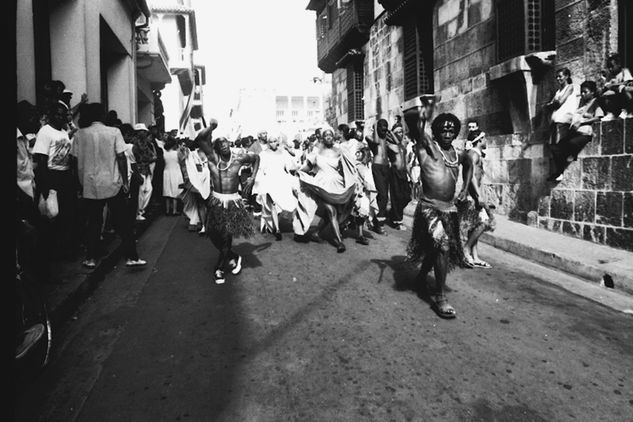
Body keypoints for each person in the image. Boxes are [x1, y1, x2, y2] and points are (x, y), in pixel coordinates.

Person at [407, 113, 473, 319]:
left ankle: (420, 277)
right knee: (442, 244)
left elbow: (470, 163)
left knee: (434, 247)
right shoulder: (428, 148)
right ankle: (441, 297)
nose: (447, 133)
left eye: (451, 130)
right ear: (435, 131)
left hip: (450, 209)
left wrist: (465, 189)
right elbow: (416, 128)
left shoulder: (457, 154)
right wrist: (420, 114)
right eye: (443, 129)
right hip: (429, 208)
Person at [71, 103, 146, 268]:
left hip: (89, 184)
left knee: (94, 223)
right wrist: (125, 182)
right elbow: (121, 157)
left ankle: (91, 258)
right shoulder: (114, 132)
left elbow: (74, 160)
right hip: (112, 183)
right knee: (123, 223)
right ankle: (131, 257)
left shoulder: (79, 134)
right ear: (102, 115)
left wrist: (79, 183)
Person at [195, 124, 260, 285]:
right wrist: (211, 127)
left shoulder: (238, 159)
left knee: (225, 237)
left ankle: (219, 269)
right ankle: (234, 256)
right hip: (216, 201)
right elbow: (199, 139)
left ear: (229, 144)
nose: (224, 146)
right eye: (220, 144)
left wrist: (253, 177)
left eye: (226, 143)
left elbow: (257, 158)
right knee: (213, 234)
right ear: (216, 148)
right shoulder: (212, 158)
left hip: (232, 202)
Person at [293, 128, 358, 253]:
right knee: (331, 211)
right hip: (322, 184)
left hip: (337, 184)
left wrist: (353, 181)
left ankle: (316, 233)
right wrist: (300, 172)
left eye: (330, 135)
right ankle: (339, 242)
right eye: (326, 135)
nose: (328, 137)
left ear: (333, 137)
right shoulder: (316, 151)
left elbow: (348, 166)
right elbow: (309, 166)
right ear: (322, 137)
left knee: (333, 214)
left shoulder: (340, 150)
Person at [32, 101, 78, 257]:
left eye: (63, 114)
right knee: (52, 215)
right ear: (51, 115)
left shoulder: (64, 132)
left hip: (65, 176)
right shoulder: (45, 131)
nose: (61, 117)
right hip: (51, 175)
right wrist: (46, 187)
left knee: (67, 214)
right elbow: (42, 160)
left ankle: (64, 248)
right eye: (57, 114)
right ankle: (49, 252)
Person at [548, 81, 605, 181]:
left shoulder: (595, 102)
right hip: (574, 132)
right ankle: (559, 173)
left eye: (585, 92)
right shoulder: (581, 103)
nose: (583, 94)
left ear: (592, 92)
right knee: (555, 147)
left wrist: (582, 123)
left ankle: (571, 154)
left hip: (584, 133)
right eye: (582, 92)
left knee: (571, 143)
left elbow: (598, 117)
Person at [460, 129, 495, 269]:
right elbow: (472, 175)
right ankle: (466, 249)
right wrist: (478, 195)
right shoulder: (474, 154)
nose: (486, 141)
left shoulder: (475, 154)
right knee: (484, 223)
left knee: (474, 225)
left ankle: (474, 256)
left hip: (473, 195)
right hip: (473, 196)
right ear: (479, 140)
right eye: (485, 139)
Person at [255, 133, 299, 240]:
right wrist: (260, 182)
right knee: (273, 204)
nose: (273, 143)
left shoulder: (283, 153)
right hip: (270, 180)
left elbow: (289, 166)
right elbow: (261, 169)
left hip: (282, 180)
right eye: (271, 141)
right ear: (268, 143)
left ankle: (296, 227)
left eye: (275, 141)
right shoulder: (263, 154)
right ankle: (277, 229)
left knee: (291, 203)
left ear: (277, 142)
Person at [178, 137, 211, 233]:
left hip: (209, 182)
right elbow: (183, 161)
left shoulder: (210, 154)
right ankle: (204, 226)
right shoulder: (192, 154)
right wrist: (183, 150)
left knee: (208, 204)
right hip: (197, 182)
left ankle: (207, 223)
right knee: (200, 203)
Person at [366, 119, 391, 234]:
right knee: (382, 195)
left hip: (386, 167)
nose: (384, 129)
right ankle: (378, 223)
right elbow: (374, 141)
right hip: (377, 167)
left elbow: (398, 142)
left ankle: (376, 219)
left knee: (384, 196)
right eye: (382, 127)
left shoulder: (386, 138)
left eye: (385, 126)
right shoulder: (371, 138)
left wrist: (388, 131)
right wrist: (375, 127)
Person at [386, 123, 411, 230]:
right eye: (398, 132)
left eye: (401, 132)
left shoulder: (403, 146)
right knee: (396, 197)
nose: (400, 134)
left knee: (407, 197)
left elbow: (406, 162)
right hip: (394, 173)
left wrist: (410, 175)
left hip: (403, 173)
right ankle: (397, 222)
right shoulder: (389, 145)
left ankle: (393, 213)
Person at [546, 68, 578, 144]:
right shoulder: (558, 91)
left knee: (560, 145)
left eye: (560, 76)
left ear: (566, 76)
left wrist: (552, 104)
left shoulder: (570, 87)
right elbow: (551, 104)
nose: (558, 79)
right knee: (553, 145)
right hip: (555, 120)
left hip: (563, 120)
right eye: (557, 77)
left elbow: (559, 102)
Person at [132, 123, 157, 221]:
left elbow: (150, 155)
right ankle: (139, 212)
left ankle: (141, 211)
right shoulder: (135, 143)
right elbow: (141, 157)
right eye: (143, 131)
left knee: (148, 189)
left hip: (145, 169)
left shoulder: (145, 142)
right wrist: (150, 158)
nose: (145, 133)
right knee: (141, 191)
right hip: (139, 169)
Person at [602, 53, 633, 119]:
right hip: (614, 92)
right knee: (605, 95)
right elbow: (607, 84)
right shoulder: (609, 75)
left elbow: (627, 82)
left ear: (618, 65)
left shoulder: (624, 71)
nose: (610, 69)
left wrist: (613, 85)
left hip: (622, 91)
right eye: (608, 67)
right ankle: (611, 113)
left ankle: (627, 110)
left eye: (612, 66)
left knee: (624, 90)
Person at [161, 135, 184, 216]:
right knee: (175, 192)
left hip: (167, 172)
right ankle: (174, 210)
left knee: (167, 192)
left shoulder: (165, 154)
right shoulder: (177, 153)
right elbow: (182, 162)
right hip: (175, 172)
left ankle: (167, 210)